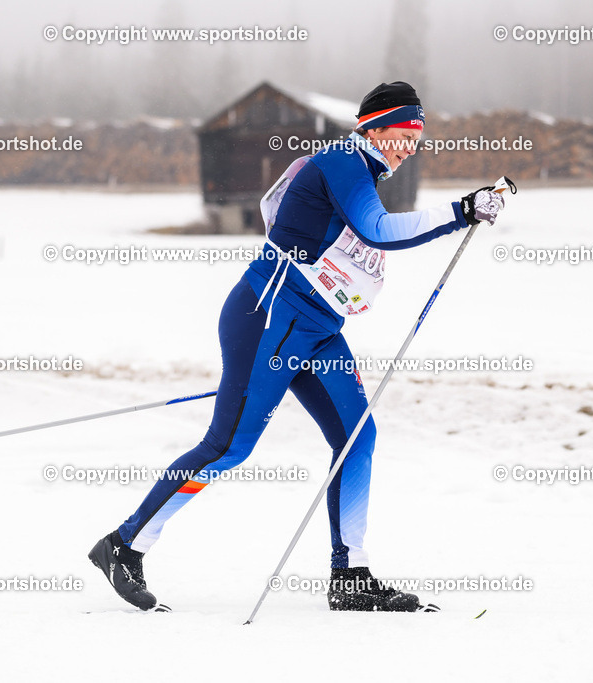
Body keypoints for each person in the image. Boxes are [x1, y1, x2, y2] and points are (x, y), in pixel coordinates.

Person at [89, 81, 506, 612]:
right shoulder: (344, 161)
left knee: (357, 436)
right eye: (401, 133)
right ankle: (124, 545)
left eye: (416, 138)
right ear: (372, 128)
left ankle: (350, 575)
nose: (408, 146)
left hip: (317, 329)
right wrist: (461, 211)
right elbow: (377, 230)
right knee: (229, 446)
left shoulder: (363, 169)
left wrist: (459, 213)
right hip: (269, 316)